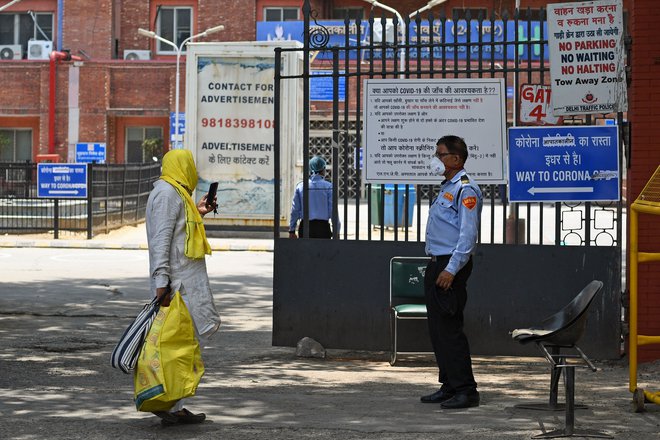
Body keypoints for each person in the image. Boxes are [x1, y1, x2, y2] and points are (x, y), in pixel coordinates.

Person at [145, 149, 221, 425]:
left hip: (182, 283)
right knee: (177, 347)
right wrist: (161, 285)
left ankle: (176, 404)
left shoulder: (176, 194)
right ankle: (168, 401)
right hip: (176, 286)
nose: (193, 173)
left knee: (182, 346)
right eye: (190, 166)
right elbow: (161, 242)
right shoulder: (167, 194)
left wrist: (198, 211)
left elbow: (178, 232)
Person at [420, 135, 483, 409]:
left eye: (441, 154)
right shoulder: (447, 187)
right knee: (437, 330)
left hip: (450, 265)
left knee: (450, 330)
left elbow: (467, 237)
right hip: (437, 263)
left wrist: (451, 270)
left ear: (456, 159)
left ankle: (466, 391)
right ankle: (449, 386)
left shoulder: (465, 190)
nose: (437, 159)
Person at [288, 155, 339, 238]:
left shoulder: (301, 187)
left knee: (305, 250)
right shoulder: (329, 187)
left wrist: (292, 230)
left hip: (305, 227)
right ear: (323, 170)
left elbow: (295, 210)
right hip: (323, 228)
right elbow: (333, 211)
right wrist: (336, 230)